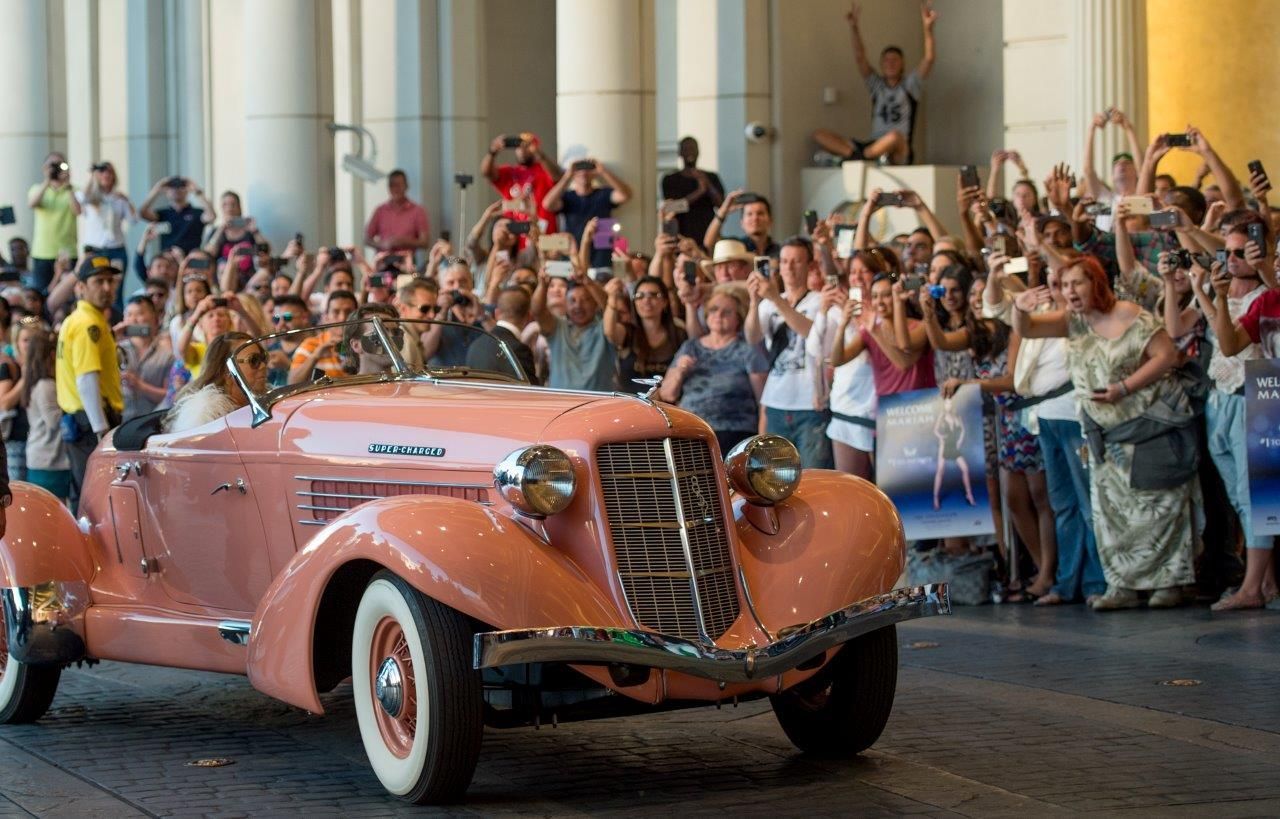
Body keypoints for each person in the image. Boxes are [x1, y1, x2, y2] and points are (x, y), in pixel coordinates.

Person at [1013, 256, 1198, 610]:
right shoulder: (1073, 322)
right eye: (1065, 285)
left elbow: (1166, 354)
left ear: (1096, 283)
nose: (1070, 292)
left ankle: (1168, 583)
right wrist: (1020, 310)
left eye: (1077, 283)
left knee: (1157, 507)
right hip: (1102, 431)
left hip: (1147, 426)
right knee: (1111, 510)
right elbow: (1029, 329)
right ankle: (1123, 584)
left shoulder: (1129, 314)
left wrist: (1125, 387)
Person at [1207, 231, 1280, 610]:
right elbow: (1230, 345)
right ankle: (1258, 587)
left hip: (1267, 398)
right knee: (1262, 500)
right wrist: (1218, 296)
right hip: (1269, 398)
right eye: (1277, 258)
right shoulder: (1268, 300)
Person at [812, 1, 938, 166]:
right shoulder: (877, 86)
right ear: (881, 65)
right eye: (886, 60)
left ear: (902, 64)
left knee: (894, 136)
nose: (890, 63)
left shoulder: (909, 86)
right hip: (873, 144)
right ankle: (861, 157)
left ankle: (852, 159)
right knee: (820, 135)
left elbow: (928, 59)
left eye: (894, 60)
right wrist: (854, 28)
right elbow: (860, 58)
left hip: (898, 148)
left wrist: (928, 29)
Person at [745, 237, 831, 468]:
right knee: (773, 478)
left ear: (809, 266)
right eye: (784, 261)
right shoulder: (767, 304)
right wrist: (754, 302)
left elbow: (811, 333)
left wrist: (775, 298)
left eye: (796, 261)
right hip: (776, 401)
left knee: (813, 476)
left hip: (810, 404)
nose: (789, 267)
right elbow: (753, 337)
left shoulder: (819, 300)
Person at [660, 287, 768, 453]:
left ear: (738, 318)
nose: (718, 315)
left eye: (727, 312)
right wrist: (681, 371)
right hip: (690, 429)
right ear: (706, 315)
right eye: (714, 309)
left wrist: (762, 443)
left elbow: (763, 401)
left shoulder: (747, 350)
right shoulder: (691, 347)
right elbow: (667, 394)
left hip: (734, 432)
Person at [56, 254, 124, 512]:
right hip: (92, 423)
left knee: (84, 492)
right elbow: (86, 379)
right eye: (99, 281)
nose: (107, 288)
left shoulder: (79, 319)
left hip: (80, 421)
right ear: (81, 287)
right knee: (95, 497)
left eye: (110, 281)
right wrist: (101, 432)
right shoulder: (88, 324)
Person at [531, 265, 615, 392]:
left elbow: (610, 305)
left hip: (598, 406)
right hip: (561, 405)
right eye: (572, 300)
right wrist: (542, 285)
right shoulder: (557, 327)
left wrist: (588, 282)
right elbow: (537, 311)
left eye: (586, 300)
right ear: (565, 304)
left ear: (595, 304)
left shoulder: (605, 327)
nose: (578, 306)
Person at [164, 332, 267, 433]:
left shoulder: (269, 401)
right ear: (226, 370)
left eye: (263, 358)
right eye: (254, 360)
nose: (263, 366)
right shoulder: (205, 416)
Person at [542, 159, 632, 268]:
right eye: (579, 170)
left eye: (588, 169)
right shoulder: (568, 197)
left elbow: (625, 195)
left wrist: (603, 171)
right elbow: (547, 204)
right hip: (573, 253)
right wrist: (567, 176)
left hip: (601, 255)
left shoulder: (603, 194)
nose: (583, 173)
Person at [604, 276, 685, 390]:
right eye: (640, 296)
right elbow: (609, 331)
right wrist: (612, 298)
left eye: (653, 295)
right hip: (629, 403)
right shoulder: (628, 332)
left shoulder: (678, 334)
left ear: (665, 302)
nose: (646, 300)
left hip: (666, 405)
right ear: (634, 303)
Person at [21, 329, 69, 501]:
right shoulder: (45, 385)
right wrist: (72, 406)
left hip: (45, 459)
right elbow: (53, 420)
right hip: (48, 460)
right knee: (53, 511)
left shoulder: (38, 383)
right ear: (51, 354)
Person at [26, 152, 82, 293]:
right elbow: (32, 204)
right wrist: (47, 180)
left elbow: (78, 211)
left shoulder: (74, 190)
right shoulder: (37, 189)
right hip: (42, 251)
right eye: (52, 165)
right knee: (41, 293)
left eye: (59, 165)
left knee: (67, 294)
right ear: (44, 168)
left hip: (67, 251)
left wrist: (68, 186)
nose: (56, 169)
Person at [482, 132, 562, 228]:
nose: (522, 149)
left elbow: (557, 177)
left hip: (543, 233)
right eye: (519, 145)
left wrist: (540, 155)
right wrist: (492, 152)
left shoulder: (544, 170)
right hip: (515, 236)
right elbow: (487, 173)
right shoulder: (509, 172)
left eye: (526, 145)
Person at [660, 137, 725, 250]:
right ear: (680, 153)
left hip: (707, 235)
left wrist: (707, 184)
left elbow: (721, 205)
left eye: (693, 148)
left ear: (698, 151)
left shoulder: (711, 177)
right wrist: (699, 192)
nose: (690, 152)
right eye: (686, 149)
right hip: (681, 236)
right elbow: (671, 207)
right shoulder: (670, 179)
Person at [118, 295, 174, 421]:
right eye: (129, 315)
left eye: (139, 314)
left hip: (152, 424)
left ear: (155, 318)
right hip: (120, 421)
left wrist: (141, 386)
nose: (133, 320)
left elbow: (170, 395)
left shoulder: (166, 354)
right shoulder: (116, 349)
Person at [466, 287, 538, 384]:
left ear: (497, 313)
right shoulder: (519, 350)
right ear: (529, 316)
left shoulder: (476, 345)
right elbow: (532, 393)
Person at [289, 290, 358, 383]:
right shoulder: (310, 345)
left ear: (357, 317)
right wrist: (315, 356)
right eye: (336, 312)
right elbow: (292, 383)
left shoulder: (363, 345)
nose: (342, 318)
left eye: (348, 312)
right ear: (326, 317)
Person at [77, 161, 134, 272]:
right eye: (102, 172)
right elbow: (80, 198)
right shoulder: (91, 197)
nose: (106, 175)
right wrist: (93, 175)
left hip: (116, 248)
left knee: (116, 284)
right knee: (94, 283)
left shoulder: (119, 198)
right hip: (95, 249)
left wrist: (127, 200)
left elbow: (133, 220)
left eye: (109, 172)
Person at [139, 175, 215, 255]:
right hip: (168, 262)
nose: (176, 189)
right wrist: (156, 189)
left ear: (187, 190)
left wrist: (197, 191)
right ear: (166, 192)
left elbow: (212, 216)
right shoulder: (162, 214)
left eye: (181, 186)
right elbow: (142, 213)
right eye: (172, 187)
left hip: (190, 261)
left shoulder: (197, 213)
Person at [364, 170, 431, 257]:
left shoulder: (418, 211)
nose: (395, 189)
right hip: (383, 262)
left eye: (399, 185)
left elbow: (425, 242)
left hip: (407, 263)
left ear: (406, 186)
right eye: (392, 185)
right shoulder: (380, 210)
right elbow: (367, 239)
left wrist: (404, 242)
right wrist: (383, 244)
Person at [1081, 108, 1143, 202]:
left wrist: (1128, 128)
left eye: (1127, 163)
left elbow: (1143, 169)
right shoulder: (1106, 198)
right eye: (1117, 164)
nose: (1121, 165)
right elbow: (1088, 170)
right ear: (1112, 176)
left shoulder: (1142, 195)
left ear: (1135, 172)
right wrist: (1092, 128)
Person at [203, 191, 266, 280]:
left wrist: (255, 231)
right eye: (225, 205)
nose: (229, 208)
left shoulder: (249, 231)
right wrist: (220, 230)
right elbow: (208, 254)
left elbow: (266, 250)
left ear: (239, 207)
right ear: (221, 208)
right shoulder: (216, 231)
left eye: (233, 204)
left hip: (248, 278)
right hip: (224, 278)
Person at [705, 192, 779, 258]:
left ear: (770, 220)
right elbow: (709, 245)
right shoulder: (735, 246)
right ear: (742, 223)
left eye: (760, 213)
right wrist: (722, 212)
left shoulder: (780, 251)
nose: (755, 218)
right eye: (749, 214)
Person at [265, 295, 313, 388]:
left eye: (287, 318)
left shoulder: (315, 348)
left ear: (304, 318)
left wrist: (288, 365)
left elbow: (320, 383)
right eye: (276, 319)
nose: (281, 324)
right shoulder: (269, 350)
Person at [340, 304, 402, 376]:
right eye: (380, 332)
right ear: (356, 345)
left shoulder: (409, 384)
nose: (392, 338)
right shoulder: (350, 387)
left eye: (396, 332)